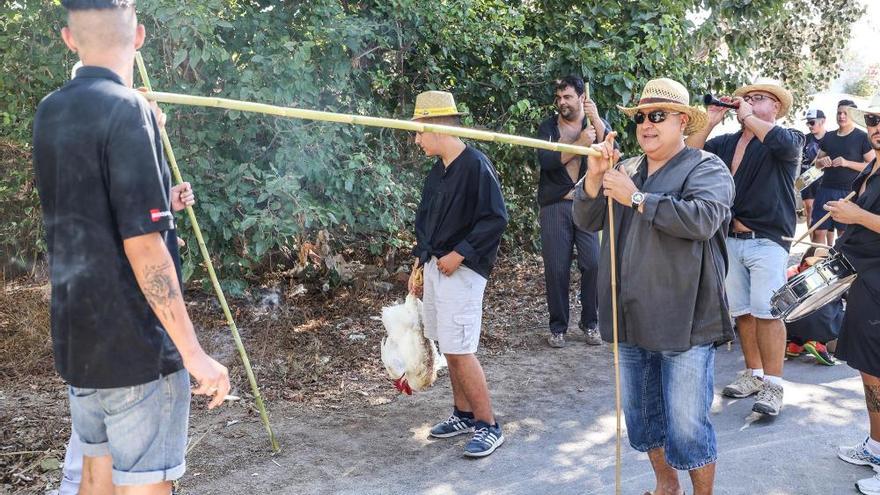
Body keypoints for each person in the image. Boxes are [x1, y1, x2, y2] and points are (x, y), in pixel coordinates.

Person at [33, 2, 229, 494]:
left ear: (69, 39)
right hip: (136, 348)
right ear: (139, 36)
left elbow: (96, 213)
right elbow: (144, 246)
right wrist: (193, 353)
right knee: (144, 486)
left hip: (79, 341)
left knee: (95, 479)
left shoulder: (50, 110)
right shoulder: (130, 110)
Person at [573, 78, 734, 495]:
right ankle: (667, 487)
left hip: (684, 321)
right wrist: (593, 179)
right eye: (641, 116)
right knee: (644, 418)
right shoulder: (625, 171)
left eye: (658, 116)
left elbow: (702, 218)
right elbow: (587, 221)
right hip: (629, 318)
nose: (646, 124)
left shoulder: (706, 167)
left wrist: (638, 199)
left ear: (682, 121)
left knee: (686, 425)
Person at [687, 78, 804, 416]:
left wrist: (747, 114)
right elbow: (689, 154)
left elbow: (782, 144)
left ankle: (774, 385)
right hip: (730, 239)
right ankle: (753, 374)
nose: (749, 102)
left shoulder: (788, 139)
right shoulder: (727, 142)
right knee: (743, 311)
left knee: (768, 313)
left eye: (759, 99)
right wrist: (709, 120)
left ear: (776, 108)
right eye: (746, 98)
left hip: (768, 239)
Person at [406, 90, 508, 457]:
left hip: (462, 272)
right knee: (448, 345)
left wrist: (460, 255)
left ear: (437, 127)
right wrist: (421, 260)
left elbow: (495, 218)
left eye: (419, 131)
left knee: (461, 349)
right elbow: (426, 221)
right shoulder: (438, 172)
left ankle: (488, 424)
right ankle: (463, 414)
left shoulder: (476, 165)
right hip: (437, 267)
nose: (416, 139)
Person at [828, 94, 880, 495]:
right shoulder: (874, 165)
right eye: (874, 121)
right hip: (866, 277)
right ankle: (876, 446)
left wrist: (858, 216)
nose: (876, 127)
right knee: (869, 368)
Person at [535, 75, 609, 348]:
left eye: (567, 97)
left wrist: (597, 121)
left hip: (587, 205)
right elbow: (546, 160)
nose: (562, 102)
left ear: (581, 97)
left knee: (593, 263)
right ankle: (558, 327)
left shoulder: (593, 125)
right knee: (556, 269)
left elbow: (610, 152)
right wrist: (579, 144)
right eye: (559, 98)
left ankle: (590, 323)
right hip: (556, 205)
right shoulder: (549, 128)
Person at [812, 100, 875, 245]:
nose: (842, 116)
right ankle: (815, 263)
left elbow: (871, 166)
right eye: (839, 113)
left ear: (853, 115)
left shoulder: (862, 137)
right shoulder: (829, 136)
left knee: (844, 234)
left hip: (849, 193)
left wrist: (847, 163)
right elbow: (817, 164)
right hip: (826, 189)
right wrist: (822, 162)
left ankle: (842, 266)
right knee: (819, 230)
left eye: (845, 113)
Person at [783, 246, 843, 366]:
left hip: (789, 328)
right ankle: (818, 342)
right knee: (841, 307)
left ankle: (796, 344)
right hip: (820, 326)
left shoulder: (789, 272)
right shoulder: (828, 276)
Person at [801, 108, 827, 227]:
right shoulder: (804, 139)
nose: (809, 126)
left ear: (822, 121)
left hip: (824, 179)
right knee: (809, 209)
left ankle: (828, 244)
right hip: (806, 178)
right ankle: (813, 243)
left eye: (812, 122)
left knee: (824, 210)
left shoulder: (830, 138)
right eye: (808, 123)